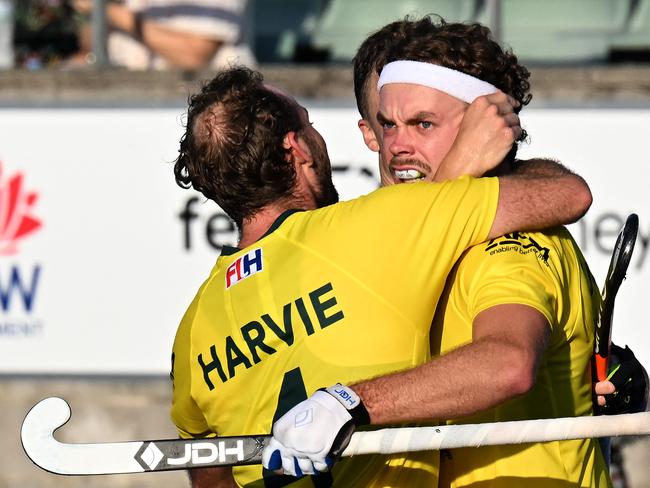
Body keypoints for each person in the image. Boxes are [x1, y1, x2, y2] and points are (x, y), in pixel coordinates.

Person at [170, 65, 592, 487]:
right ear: (297, 149)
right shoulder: (370, 226)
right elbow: (567, 194)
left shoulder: (192, 330)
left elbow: (210, 472)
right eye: (308, 124)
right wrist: (462, 162)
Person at [71, 0, 255, 70]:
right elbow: (88, 46)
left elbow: (195, 55)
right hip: (132, 107)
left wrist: (107, 9)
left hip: (206, 118)